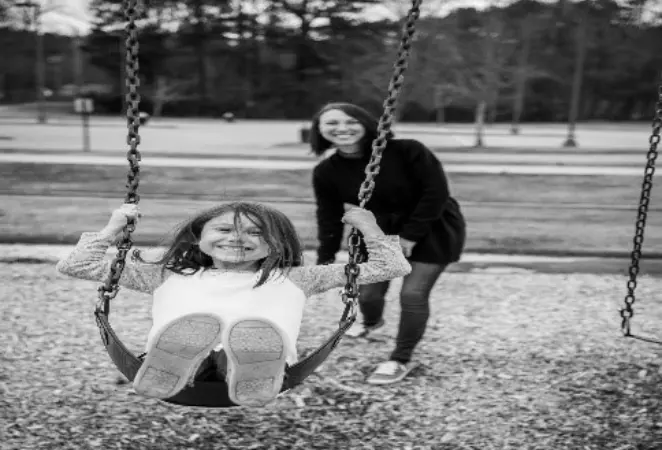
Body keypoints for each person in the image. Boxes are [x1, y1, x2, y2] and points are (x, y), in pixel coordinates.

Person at [55, 201, 411, 407]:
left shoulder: (297, 277)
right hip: (176, 362)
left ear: (277, 245)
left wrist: (370, 228)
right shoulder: (165, 273)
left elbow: (390, 267)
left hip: (268, 366)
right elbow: (78, 266)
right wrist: (112, 228)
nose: (237, 239)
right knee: (188, 340)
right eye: (223, 230)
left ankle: (247, 366)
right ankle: (177, 364)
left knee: (248, 343)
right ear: (200, 237)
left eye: (256, 233)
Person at [310, 102, 466, 386]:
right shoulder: (326, 171)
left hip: (432, 225)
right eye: (331, 123)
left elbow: (436, 193)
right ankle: (372, 324)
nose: (342, 128)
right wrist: (325, 257)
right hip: (379, 231)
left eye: (350, 121)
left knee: (413, 295)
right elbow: (329, 216)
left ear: (367, 123)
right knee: (368, 296)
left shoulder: (407, 151)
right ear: (319, 131)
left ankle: (401, 358)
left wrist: (410, 237)